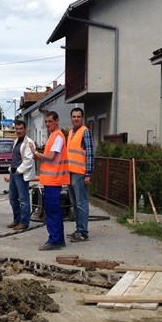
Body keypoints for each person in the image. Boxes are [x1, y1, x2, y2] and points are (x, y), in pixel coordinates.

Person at [31, 111, 69, 251]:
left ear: (57, 121)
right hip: (50, 180)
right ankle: (57, 239)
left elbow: (52, 157)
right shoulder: (53, 136)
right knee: (53, 211)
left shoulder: (57, 137)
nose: (47, 124)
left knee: (53, 211)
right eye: (46, 122)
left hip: (54, 180)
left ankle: (55, 240)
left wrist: (37, 154)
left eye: (50, 121)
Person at [66, 107, 95, 242]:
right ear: (71, 118)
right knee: (74, 203)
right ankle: (78, 229)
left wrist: (88, 173)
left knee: (81, 204)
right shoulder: (71, 132)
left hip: (80, 174)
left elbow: (90, 154)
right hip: (70, 173)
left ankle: (83, 232)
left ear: (82, 118)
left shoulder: (85, 132)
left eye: (78, 116)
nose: (76, 119)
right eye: (74, 116)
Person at [4, 120, 36, 231]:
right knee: (12, 198)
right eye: (17, 129)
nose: (19, 131)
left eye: (21, 128)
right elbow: (15, 158)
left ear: (25, 129)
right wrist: (11, 171)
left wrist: (19, 170)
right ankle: (16, 220)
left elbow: (29, 160)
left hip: (21, 174)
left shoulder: (29, 142)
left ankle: (24, 222)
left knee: (23, 199)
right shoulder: (16, 141)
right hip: (13, 173)